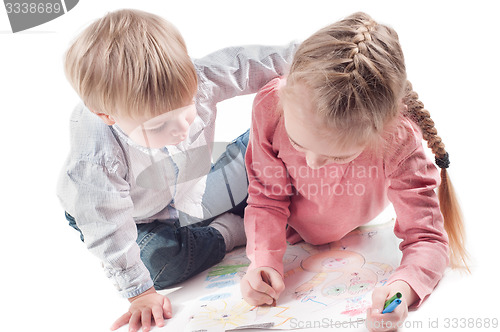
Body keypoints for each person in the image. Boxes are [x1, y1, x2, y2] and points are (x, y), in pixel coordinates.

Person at [56, 9, 296, 332]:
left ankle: (241, 181)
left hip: (182, 184)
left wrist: (309, 57)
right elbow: (109, 230)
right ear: (107, 116)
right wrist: (139, 293)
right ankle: (226, 232)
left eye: (187, 112)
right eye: (160, 126)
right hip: (131, 217)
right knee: (159, 265)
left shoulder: (196, 79)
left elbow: (248, 63)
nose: (182, 130)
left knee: (261, 153)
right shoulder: (95, 161)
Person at [240, 12, 468, 331]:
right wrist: (263, 262)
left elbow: (427, 238)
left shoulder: (398, 141)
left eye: (337, 156)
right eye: (299, 143)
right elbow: (265, 197)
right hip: (246, 161)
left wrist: (399, 295)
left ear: (380, 132)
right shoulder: (271, 105)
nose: (313, 164)